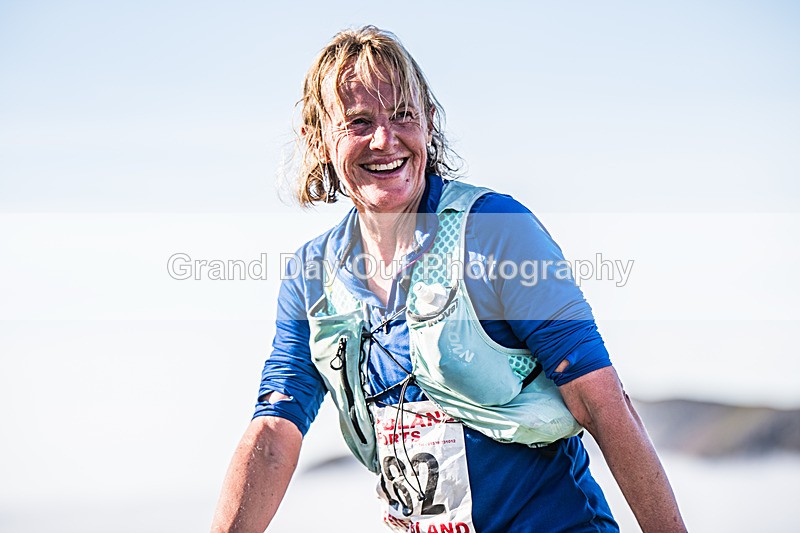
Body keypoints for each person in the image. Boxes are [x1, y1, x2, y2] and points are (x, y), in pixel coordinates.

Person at [212, 26, 686, 533]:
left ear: (430, 125)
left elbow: (602, 402)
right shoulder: (313, 276)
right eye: (359, 121)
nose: (384, 140)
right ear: (318, 139)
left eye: (403, 115)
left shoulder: (494, 231)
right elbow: (274, 432)